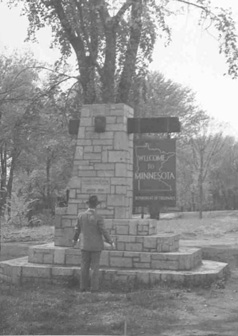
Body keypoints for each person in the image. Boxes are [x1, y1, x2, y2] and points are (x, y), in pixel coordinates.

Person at [72, 195, 115, 292]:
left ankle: (83, 287)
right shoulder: (98, 217)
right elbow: (103, 231)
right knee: (95, 267)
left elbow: (77, 230)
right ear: (96, 205)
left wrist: (74, 240)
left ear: (88, 204)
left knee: (84, 266)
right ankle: (94, 288)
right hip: (96, 246)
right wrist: (111, 241)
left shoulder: (81, 215)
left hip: (84, 245)